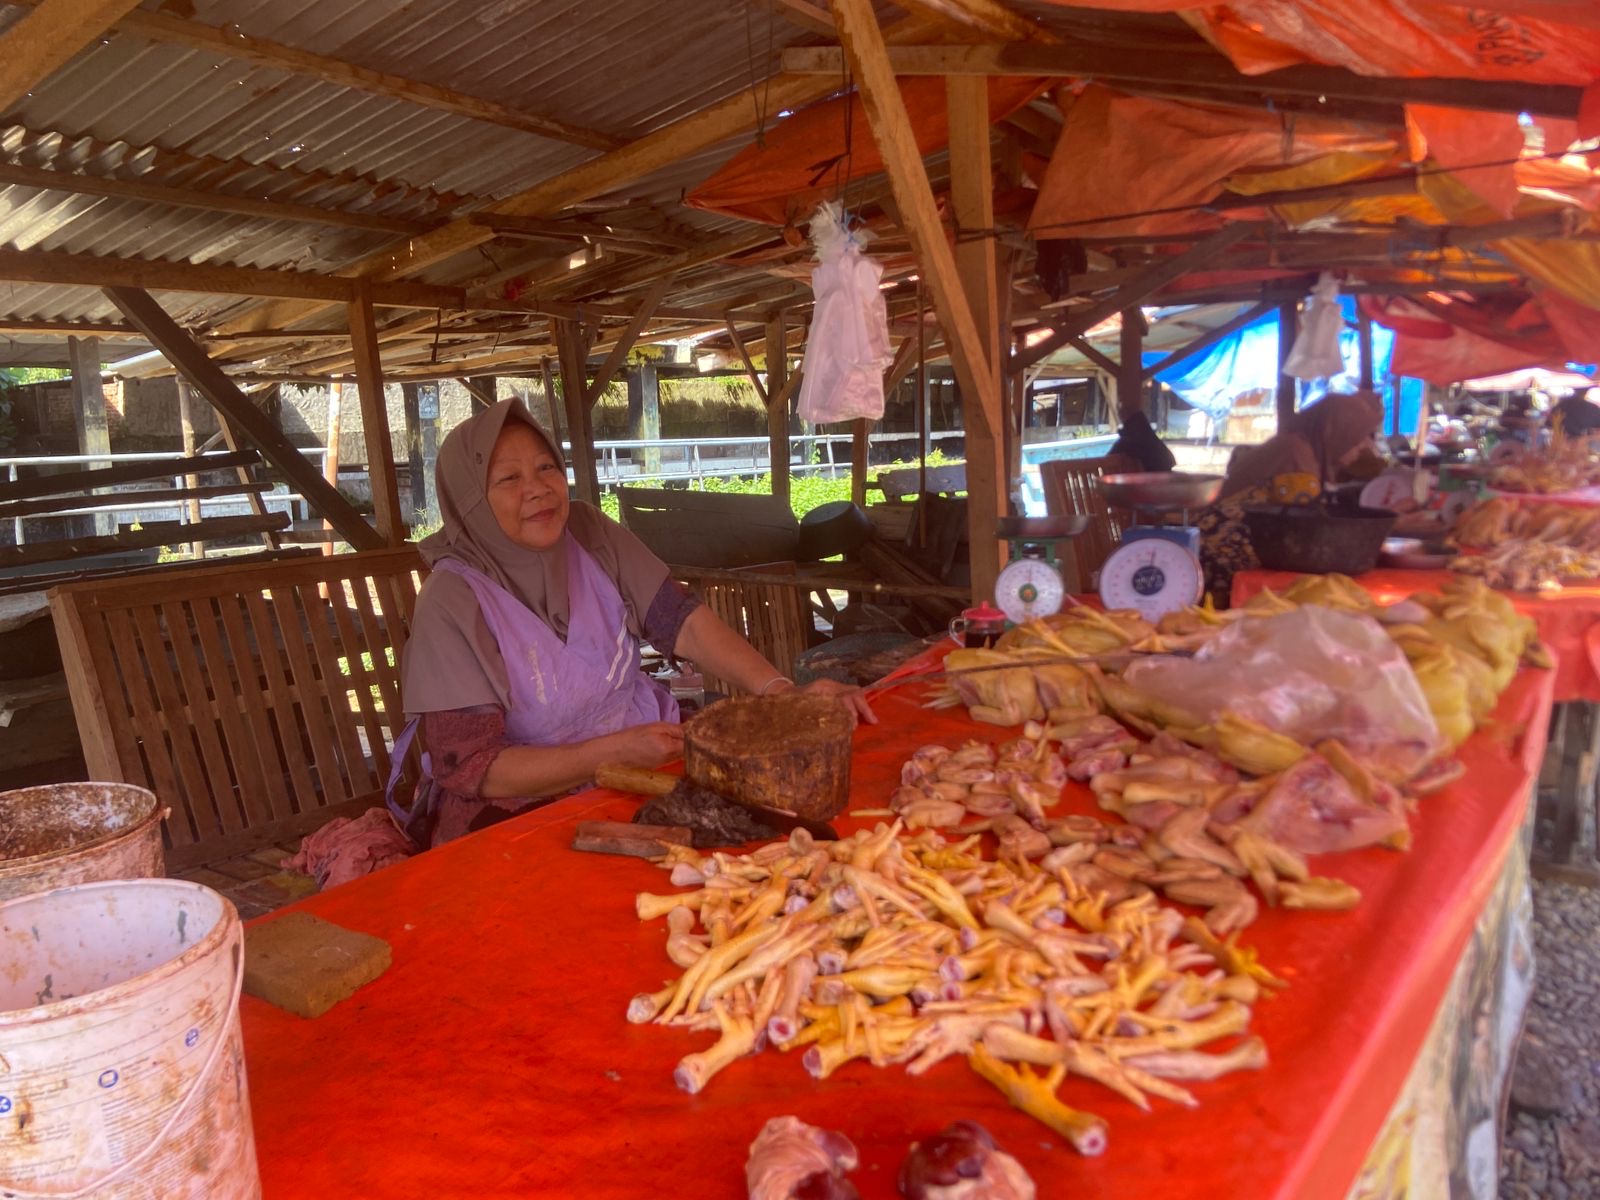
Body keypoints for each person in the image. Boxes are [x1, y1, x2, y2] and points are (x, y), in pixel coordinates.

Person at [391, 398, 872, 848]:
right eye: (509, 479)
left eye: (545, 467)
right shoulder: (453, 600)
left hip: (644, 753)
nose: (538, 488)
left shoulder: (587, 532)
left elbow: (682, 621)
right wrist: (609, 754)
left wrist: (781, 694)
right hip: (522, 804)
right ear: (471, 501)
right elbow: (473, 768)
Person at [1196, 389, 1386, 605]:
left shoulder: (1303, 448)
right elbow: (1308, 530)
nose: (1364, 448)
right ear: (1337, 433)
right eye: (1358, 439)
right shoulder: (1295, 454)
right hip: (1221, 559)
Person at [1105, 411, 1176, 474]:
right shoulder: (1151, 441)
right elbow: (1170, 460)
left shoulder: (1126, 442)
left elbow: (1106, 461)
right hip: (1156, 483)